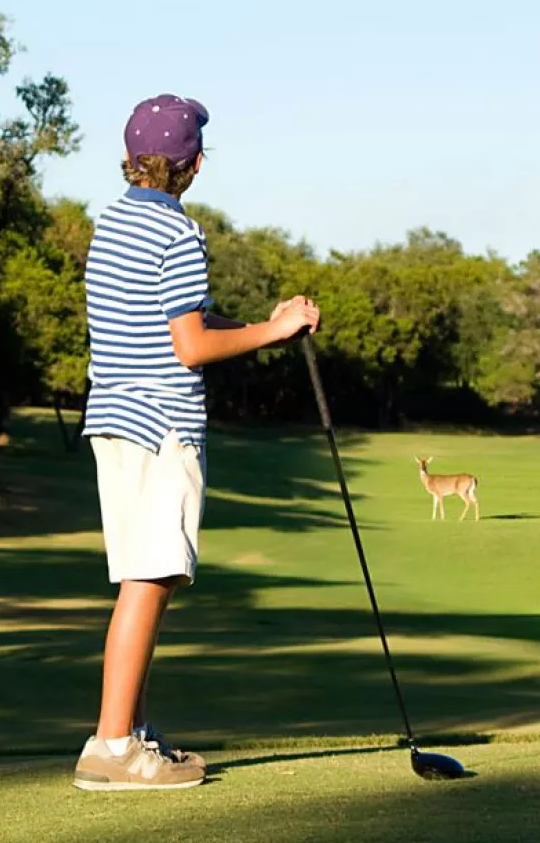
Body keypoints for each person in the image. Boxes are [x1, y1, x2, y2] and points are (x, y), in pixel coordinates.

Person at [72, 95, 321, 791]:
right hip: (162, 424)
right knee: (151, 578)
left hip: (114, 420)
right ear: (195, 163)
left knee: (140, 579)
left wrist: (256, 323)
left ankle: (133, 737)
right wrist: (273, 333)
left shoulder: (112, 222)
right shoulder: (179, 233)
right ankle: (112, 746)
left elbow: (186, 322)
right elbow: (189, 346)